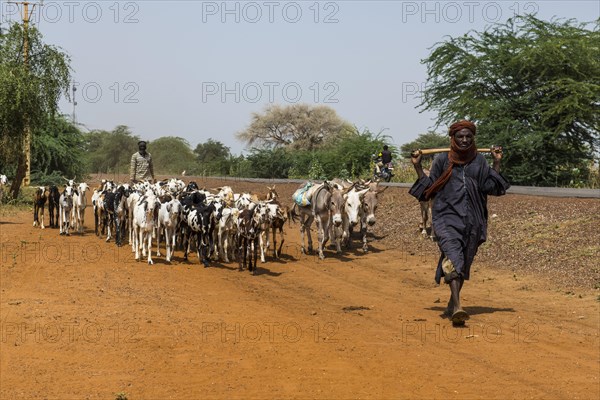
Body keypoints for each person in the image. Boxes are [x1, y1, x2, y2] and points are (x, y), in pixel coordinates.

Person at [409, 120, 510, 326]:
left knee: (463, 261)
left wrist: (497, 163)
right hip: (446, 217)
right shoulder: (441, 161)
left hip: (474, 220)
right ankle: (457, 307)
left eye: (468, 137)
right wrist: (418, 167)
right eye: (460, 137)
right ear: (452, 139)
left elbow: (491, 187)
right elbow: (429, 188)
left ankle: (451, 303)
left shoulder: (479, 161)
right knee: (454, 257)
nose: (464, 140)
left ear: (473, 138)